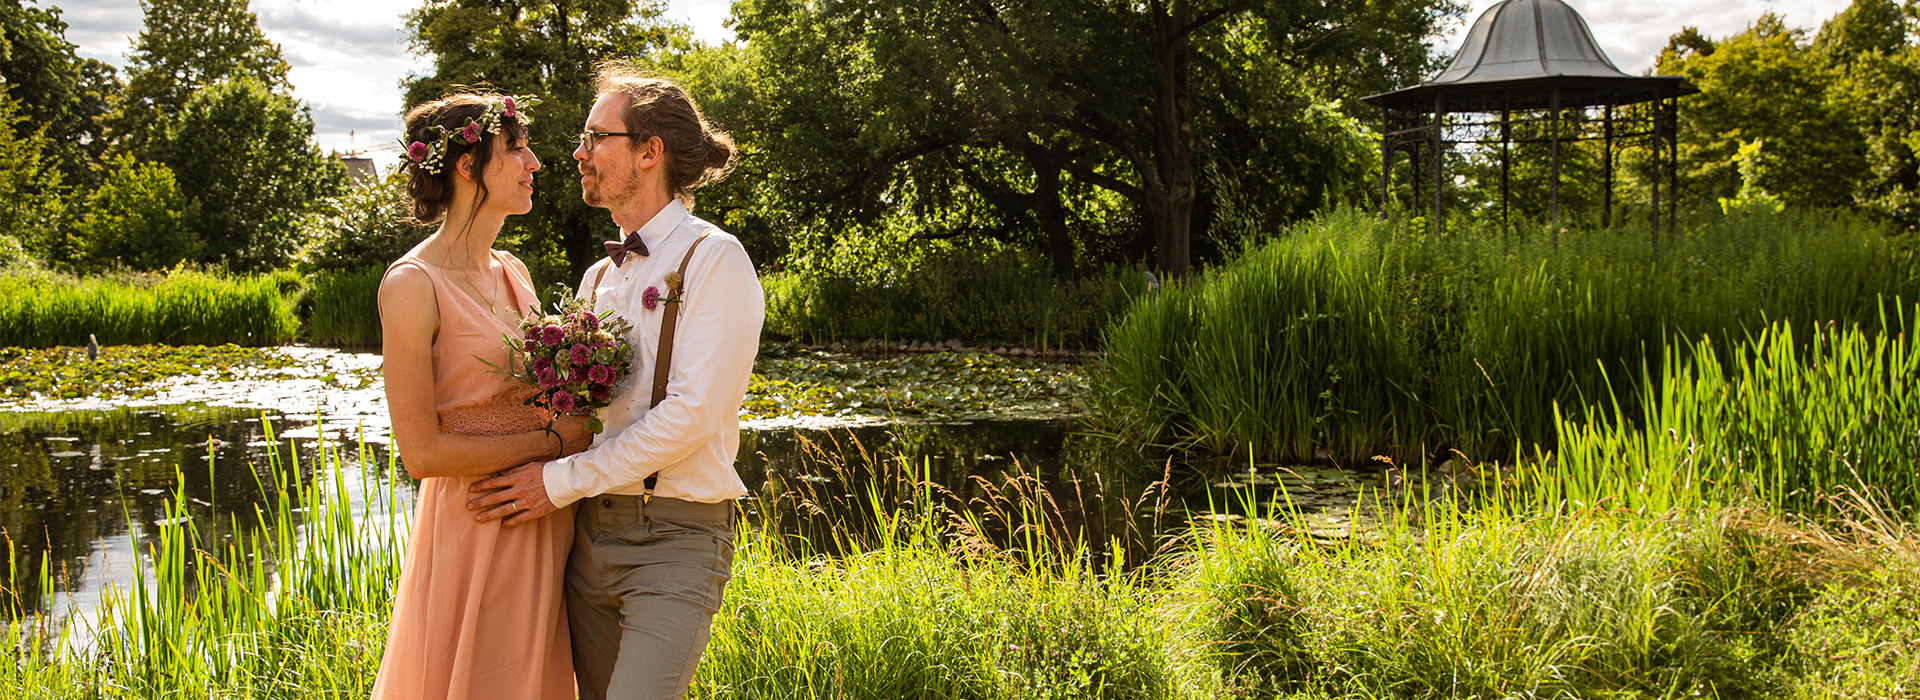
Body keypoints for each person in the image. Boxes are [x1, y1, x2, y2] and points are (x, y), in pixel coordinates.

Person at [465, 65, 763, 700]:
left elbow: (692, 414)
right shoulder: (597, 278)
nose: (577, 152)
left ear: (649, 152)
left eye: (595, 136)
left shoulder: (715, 259)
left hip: (675, 537)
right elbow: (579, 419)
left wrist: (556, 483)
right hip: (583, 542)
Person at [371, 91, 593, 700]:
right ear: (467, 168)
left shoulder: (512, 270)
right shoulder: (413, 284)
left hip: (544, 520)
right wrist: (555, 439)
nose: (535, 163)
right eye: (516, 148)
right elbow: (421, 452)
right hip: (478, 527)